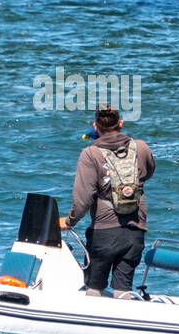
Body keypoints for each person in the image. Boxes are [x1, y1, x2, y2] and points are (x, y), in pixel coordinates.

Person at [59, 106, 156, 298]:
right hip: (136, 230)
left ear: (95, 127)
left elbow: (83, 198)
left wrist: (69, 221)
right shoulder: (141, 147)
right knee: (123, 289)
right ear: (121, 124)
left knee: (94, 288)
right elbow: (149, 172)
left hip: (104, 232)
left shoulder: (90, 154)